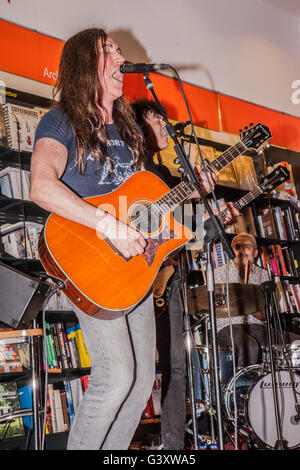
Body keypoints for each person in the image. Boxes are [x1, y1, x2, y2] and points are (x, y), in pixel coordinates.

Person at [30, 29, 234, 451]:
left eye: (119, 49)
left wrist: (191, 193)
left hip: (136, 268)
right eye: (110, 50)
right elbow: (41, 187)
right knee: (116, 375)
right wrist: (108, 225)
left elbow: (145, 205)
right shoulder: (60, 120)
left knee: (142, 381)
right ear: (85, 63)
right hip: (88, 256)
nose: (121, 56)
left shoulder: (127, 129)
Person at [131, 98, 239, 449]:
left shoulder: (164, 175)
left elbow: (179, 230)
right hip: (133, 279)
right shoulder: (129, 168)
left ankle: (173, 446)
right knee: (134, 371)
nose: (165, 126)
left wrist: (214, 219)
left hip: (170, 278)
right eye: (158, 120)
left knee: (177, 368)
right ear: (141, 123)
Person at [214, 232, 300, 367]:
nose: (241, 251)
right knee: (249, 346)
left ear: (255, 252)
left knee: (297, 342)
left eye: (247, 246)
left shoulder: (263, 274)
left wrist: (251, 304)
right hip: (227, 326)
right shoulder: (218, 274)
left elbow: (265, 316)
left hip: (257, 327)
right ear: (231, 251)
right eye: (237, 247)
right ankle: (243, 386)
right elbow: (213, 308)